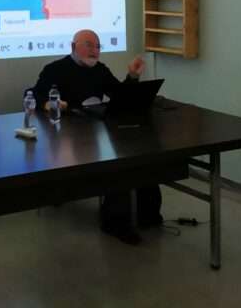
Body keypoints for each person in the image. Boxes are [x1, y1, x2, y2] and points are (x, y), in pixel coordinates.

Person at [28, 29, 162, 244]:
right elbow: (35, 94)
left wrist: (133, 77)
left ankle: (148, 215)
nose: (95, 51)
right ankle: (115, 222)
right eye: (89, 45)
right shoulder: (55, 69)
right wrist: (50, 104)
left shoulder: (100, 70)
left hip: (96, 129)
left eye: (98, 46)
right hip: (68, 134)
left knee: (137, 153)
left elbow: (120, 96)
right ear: (73, 47)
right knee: (117, 162)